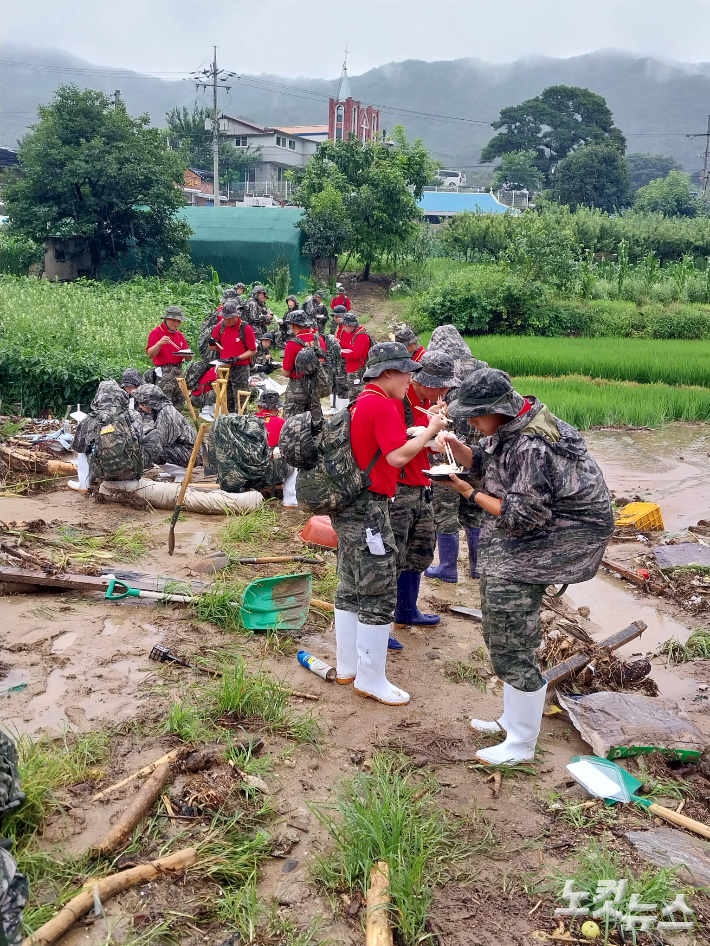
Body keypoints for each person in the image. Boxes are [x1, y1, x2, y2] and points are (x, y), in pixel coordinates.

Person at [438, 368, 614, 764]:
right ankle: (511, 719)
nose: (471, 423)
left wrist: (466, 490)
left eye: (475, 416)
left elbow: (521, 516)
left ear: (497, 409)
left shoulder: (532, 445)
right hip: (536, 528)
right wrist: (457, 450)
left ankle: (521, 744)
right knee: (500, 620)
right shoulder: (515, 424)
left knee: (510, 635)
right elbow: (486, 460)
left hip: (558, 536)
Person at [332, 342, 448, 706]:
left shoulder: (359, 401)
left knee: (350, 585)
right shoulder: (382, 404)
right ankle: (371, 678)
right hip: (370, 510)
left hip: (350, 506)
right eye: (406, 372)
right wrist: (430, 430)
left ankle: (347, 666)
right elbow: (397, 457)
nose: (411, 378)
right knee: (379, 590)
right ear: (388, 374)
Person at [391, 351, 456, 644]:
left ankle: (407, 610)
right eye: (441, 385)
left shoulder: (428, 404)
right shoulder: (397, 402)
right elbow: (396, 447)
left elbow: (425, 443)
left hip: (422, 485)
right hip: (398, 487)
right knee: (391, 556)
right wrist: (429, 433)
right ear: (424, 380)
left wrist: (437, 438)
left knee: (419, 549)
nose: (444, 391)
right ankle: (378, 623)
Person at [425, 324, 488, 583]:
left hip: (448, 448)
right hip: (479, 450)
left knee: (445, 509)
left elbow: (438, 410)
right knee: (475, 506)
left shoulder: (444, 372)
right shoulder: (482, 368)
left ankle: (448, 568)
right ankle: (478, 568)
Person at [71, 380, 154, 488]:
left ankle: (84, 484)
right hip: (132, 470)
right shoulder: (133, 414)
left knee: (82, 449)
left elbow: (77, 447)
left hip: (104, 472)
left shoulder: (90, 418)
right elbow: (140, 438)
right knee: (153, 434)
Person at [207, 300, 257, 413]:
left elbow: (252, 351)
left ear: (236, 316)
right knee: (226, 398)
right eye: (225, 318)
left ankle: (242, 422)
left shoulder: (245, 328)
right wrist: (211, 343)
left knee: (241, 399)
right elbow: (212, 348)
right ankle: (229, 422)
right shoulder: (220, 327)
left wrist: (238, 358)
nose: (228, 321)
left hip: (240, 367)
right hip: (224, 366)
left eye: (230, 318)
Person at [133, 383, 198, 468]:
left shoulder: (166, 413)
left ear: (150, 403)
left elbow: (161, 441)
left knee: (154, 451)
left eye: (142, 403)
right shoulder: (157, 410)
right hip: (179, 447)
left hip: (190, 453)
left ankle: (179, 472)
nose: (140, 406)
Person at [281, 308, 327, 422]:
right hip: (315, 386)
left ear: (293, 325)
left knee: (293, 425)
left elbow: (286, 372)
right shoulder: (319, 339)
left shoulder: (292, 344)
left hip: (297, 388)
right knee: (315, 424)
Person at [145, 306, 193, 409]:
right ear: (166, 319)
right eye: (173, 320)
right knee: (164, 404)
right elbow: (150, 354)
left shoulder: (179, 335)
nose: (176, 323)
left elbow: (188, 357)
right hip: (164, 372)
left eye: (178, 321)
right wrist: (159, 344)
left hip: (179, 372)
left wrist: (187, 355)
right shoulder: (157, 332)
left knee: (179, 402)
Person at [314, 312, 345, 414]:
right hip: (339, 357)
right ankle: (334, 407)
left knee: (340, 385)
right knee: (335, 385)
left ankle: (340, 409)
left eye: (337, 316)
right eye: (334, 316)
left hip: (342, 360)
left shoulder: (345, 328)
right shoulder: (340, 327)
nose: (335, 318)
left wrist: (339, 343)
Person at [340, 312, 371, 401]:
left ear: (350, 325)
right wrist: (340, 343)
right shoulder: (355, 333)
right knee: (351, 393)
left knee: (355, 395)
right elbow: (352, 347)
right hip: (352, 368)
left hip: (356, 369)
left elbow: (356, 354)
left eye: (344, 325)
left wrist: (341, 353)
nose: (343, 327)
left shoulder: (361, 335)